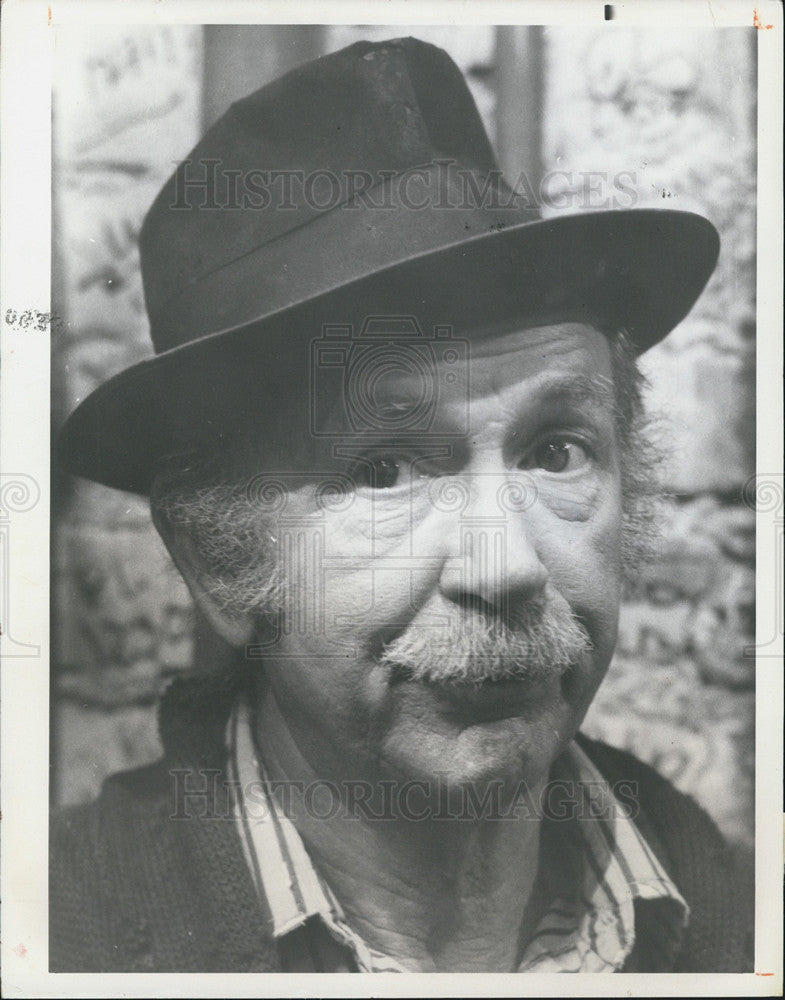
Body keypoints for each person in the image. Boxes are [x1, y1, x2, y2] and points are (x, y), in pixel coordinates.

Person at [51, 36, 750, 973]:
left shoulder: (726, 909)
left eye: (555, 451)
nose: (505, 566)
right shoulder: (69, 934)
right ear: (219, 559)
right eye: (385, 471)